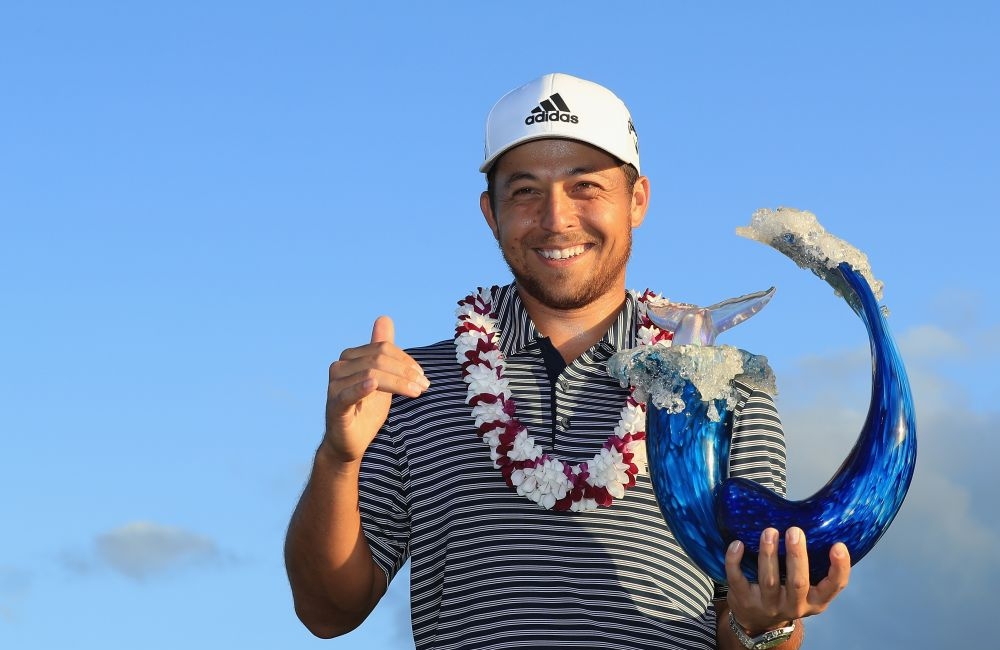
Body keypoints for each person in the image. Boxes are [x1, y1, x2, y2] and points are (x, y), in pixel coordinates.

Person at [284, 73, 850, 650]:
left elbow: (749, 624)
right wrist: (337, 457)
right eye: (525, 191)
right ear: (490, 213)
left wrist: (767, 624)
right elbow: (328, 612)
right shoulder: (408, 386)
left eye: (585, 186)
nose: (556, 219)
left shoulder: (725, 387)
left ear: (637, 201)